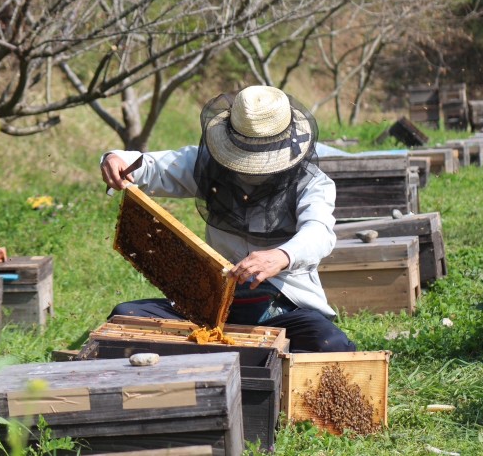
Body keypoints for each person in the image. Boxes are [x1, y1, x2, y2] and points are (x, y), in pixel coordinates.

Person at [100, 85, 355, 353]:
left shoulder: (313, 184)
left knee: (330, 344)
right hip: (211, 302)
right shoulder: (207, 165)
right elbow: (151, 168)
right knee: (126, 316)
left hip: (284, 305)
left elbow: (319, 232)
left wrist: (281, 256)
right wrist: (116, 159)